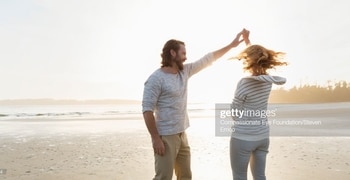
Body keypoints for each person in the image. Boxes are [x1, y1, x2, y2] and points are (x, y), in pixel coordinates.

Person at [142, 28, 250, 180]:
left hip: (182, 134)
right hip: (165, 137)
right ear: (172, 53)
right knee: (163, 177)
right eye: (183, 53)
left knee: (186, 176)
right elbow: (147, 110)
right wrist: (155, 138)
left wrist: (231, 45)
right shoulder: (156, 79)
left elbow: (208, 59)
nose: (186, 57)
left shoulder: (184, 71)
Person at [229, 36, 288, 180]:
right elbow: (257, 61)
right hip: (262, 135)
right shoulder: (268, 81)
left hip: (243, 136)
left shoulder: (244, 83)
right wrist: (248, 41)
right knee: (260, 176)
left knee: (239, 176)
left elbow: (234, 111)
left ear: (248, 60)